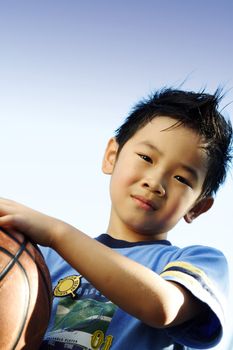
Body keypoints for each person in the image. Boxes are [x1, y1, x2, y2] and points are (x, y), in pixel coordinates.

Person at [0, 87, 232, 350]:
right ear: (112, 156)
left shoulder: (198, 262)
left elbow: (162, 307)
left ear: (198, 207)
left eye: (181, 178)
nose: (155, 182)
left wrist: (57, 233)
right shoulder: (37, 258)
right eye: (146, 158)